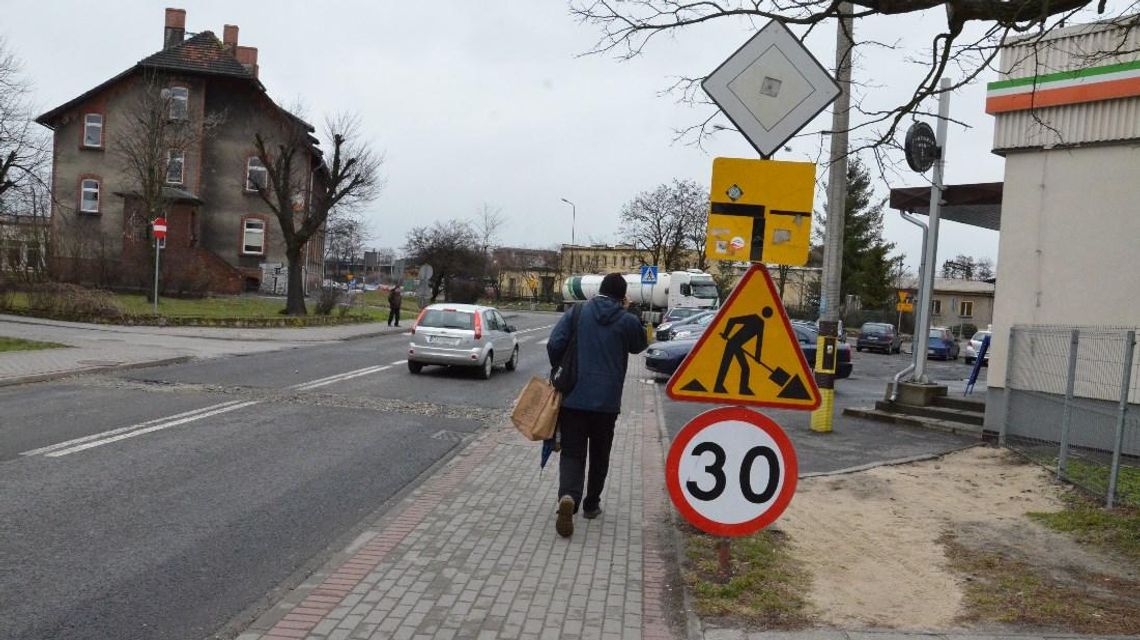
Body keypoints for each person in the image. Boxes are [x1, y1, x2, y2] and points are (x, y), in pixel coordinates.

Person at [546, 272, 648, 538]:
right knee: (600, 454)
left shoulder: (578, 313)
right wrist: (632, 311)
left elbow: (555, 344)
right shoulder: (626, 320)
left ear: (600, 290)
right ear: (622, 296)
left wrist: (562, 368)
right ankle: (591, 505)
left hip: (574, 397)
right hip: (607, 403)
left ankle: (568, 496)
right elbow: (640, 346)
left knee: (572, 452)